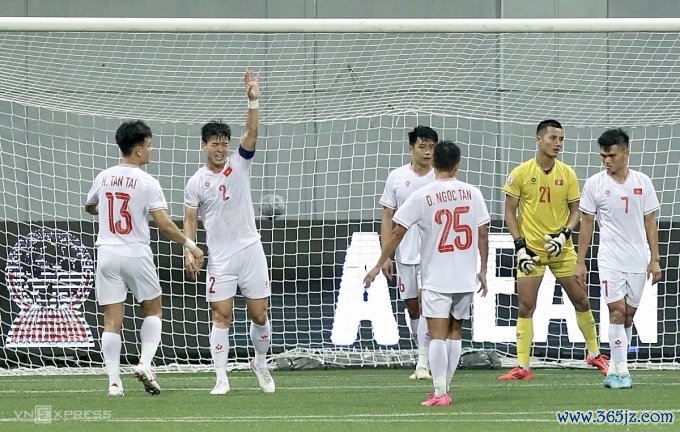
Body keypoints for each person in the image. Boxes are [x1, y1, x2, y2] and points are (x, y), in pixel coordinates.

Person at [365, 140, 490, 407]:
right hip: (465, 276)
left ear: (434, 163)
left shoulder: (423, 196)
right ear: (457, 165)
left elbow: (398, 231)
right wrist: (483, 269)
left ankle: (440, 392)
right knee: (455, 333)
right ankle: (446, 386)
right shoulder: (473, 193)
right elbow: (482, 232)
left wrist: (379, 262)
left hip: (437, 277)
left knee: (437, 335)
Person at [85, 120, 205, 397]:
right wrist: (192, 245)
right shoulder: (147, 181)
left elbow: (90, 205)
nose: (151, 150)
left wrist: (106, 214)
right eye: (149, 146)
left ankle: (114, 383)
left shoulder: (103, 177)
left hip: (106, 252)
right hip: (135, 251)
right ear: (138, 150)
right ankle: (145, 363)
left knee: (111, 320)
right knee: (153, 309)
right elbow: (164, 224)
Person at [183, 70, 275, 395]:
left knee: (259, 314)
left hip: (250, 250)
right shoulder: (196, 182)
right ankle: (221, 377)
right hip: (220, 257)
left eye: (224, 143)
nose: (220, 149)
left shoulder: (240, 163)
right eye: (214, 144)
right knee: (221, 316)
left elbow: (252, 132)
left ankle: (260, 363)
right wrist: (190, 247)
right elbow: (190, 218)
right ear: (204, 146)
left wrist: (253, 99)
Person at [498, 119, 609, 381]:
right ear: (539, 140)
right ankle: (523, 367)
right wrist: (519, 246)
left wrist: (565, 233)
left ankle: (594, 353)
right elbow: (509, 212)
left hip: (562, 249)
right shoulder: (521, 173)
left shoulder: (568, 173)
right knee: (525, 306)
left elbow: (575, 212)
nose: (558, 144)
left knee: (581, 300)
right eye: (553, 138)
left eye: (561, 139)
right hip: (532, 252)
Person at [575, 128, 661, 389]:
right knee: (616, 312)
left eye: (611, 155)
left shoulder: (643, 182)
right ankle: (622, 372)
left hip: (637, 259)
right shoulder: (594, 184)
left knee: (628, 318)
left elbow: (650, 222)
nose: (607, 161)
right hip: (609, 259)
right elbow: (586, 224)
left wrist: (654, 259)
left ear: (626, 153)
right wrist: (581, 261)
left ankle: (615, 366)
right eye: (603, 156)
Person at [379, 125, 438, 380]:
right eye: (422, 146)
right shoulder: (396, 177)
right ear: (411, 148)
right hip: (404, 253)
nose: (427, 152)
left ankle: (424, 363)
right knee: (413, 308)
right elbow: (387, 216)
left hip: (433, 253)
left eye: (431, 147)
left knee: (427, 306)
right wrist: (386, 255)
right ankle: (421, 352)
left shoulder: (440, 177)